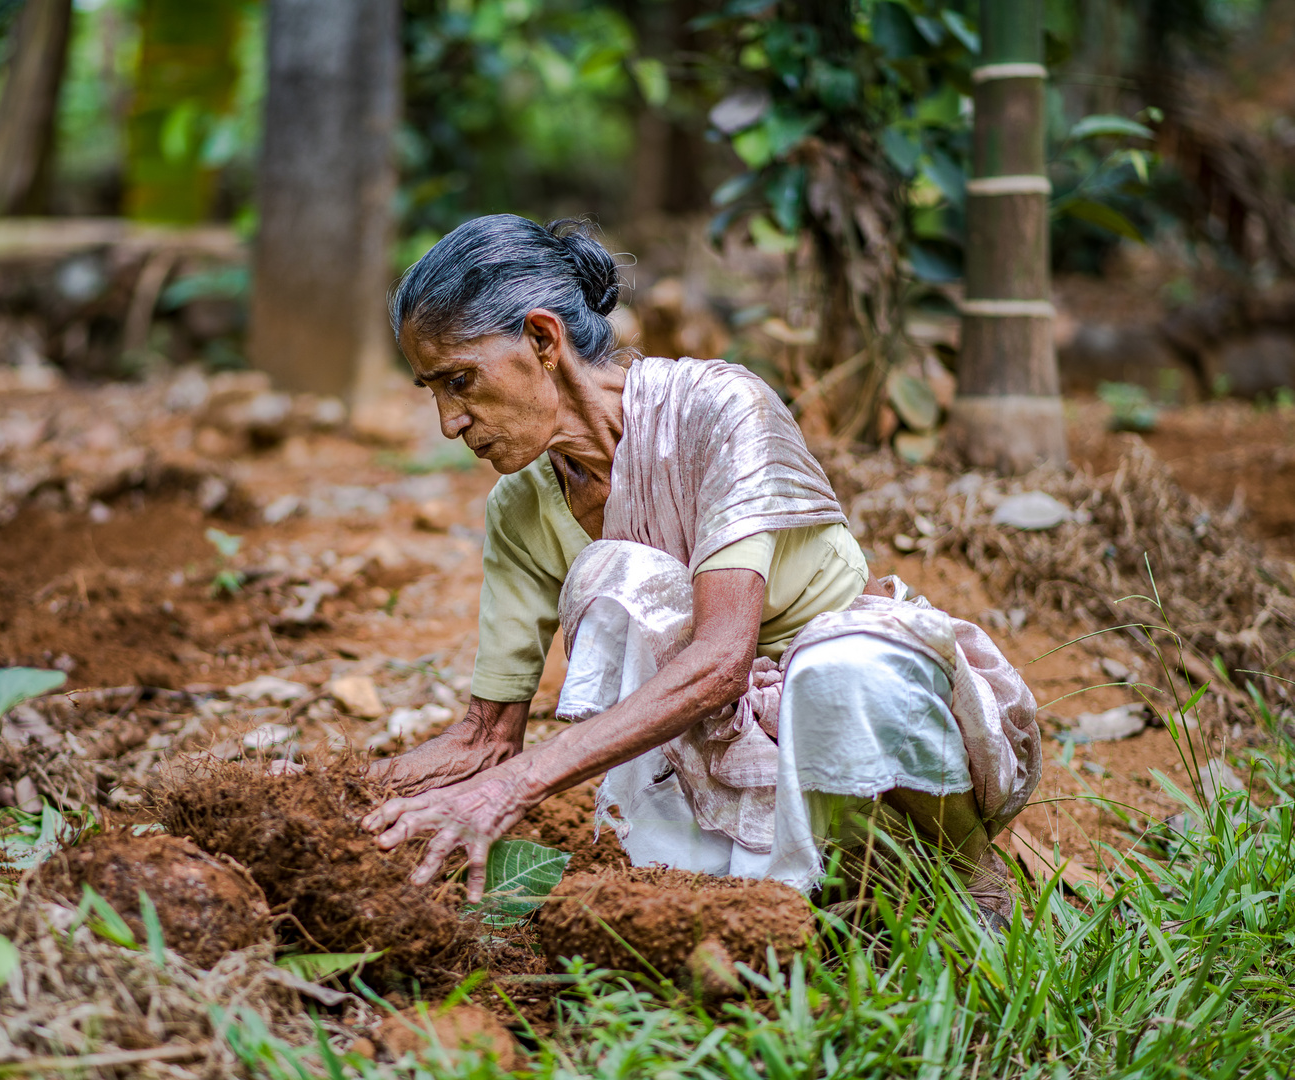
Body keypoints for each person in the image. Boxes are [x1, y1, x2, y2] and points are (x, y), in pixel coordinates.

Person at [360, 215, 1040, 926]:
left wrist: (515, 790)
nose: (449, 423)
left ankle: (966, 875)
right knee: (614, 575)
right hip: (710, 761)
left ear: (542, 339)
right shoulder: (522, 508)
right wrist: (350, 791)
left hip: (858, 730)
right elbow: (486, 738)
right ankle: (738, 903)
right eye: (432, 391)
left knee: (838, 671)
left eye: (460, 381)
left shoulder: (720, 409)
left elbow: (723, 659)